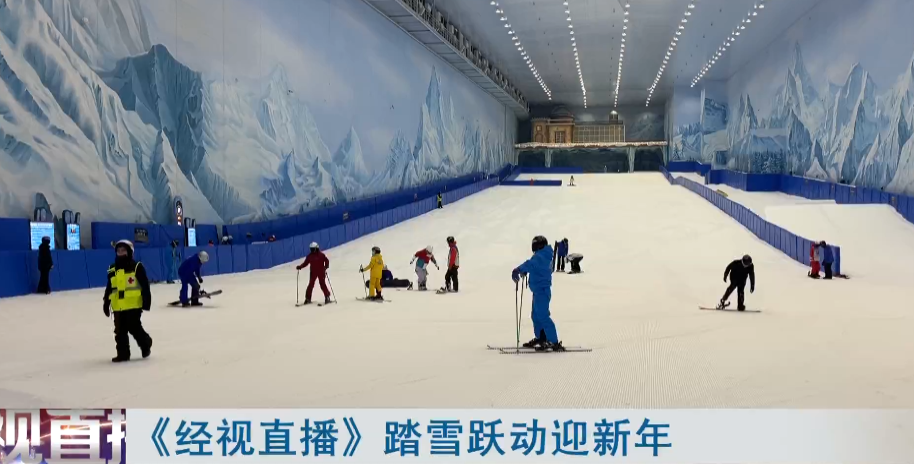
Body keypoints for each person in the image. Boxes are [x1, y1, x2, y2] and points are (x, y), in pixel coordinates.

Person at [103, 240, 152, 362]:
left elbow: (145, 286)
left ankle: (146, 343)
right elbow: (110, 286)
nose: (121, 253)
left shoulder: (137, 267)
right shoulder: (112, 268)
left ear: (130, 252)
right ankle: (123, 354)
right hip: (118, 305)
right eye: (118, 251)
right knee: (120, 330)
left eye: (123, 250)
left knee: (134, 327)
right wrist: (106, 302)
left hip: (133, 304)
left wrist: (146, 302)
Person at [512, 236, 564, 351]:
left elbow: (531, 264)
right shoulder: (543, 255)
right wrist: (526, 271)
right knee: (535, 316)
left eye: (535, 244)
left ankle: (553, 341)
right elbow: (535, 267)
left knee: (543, 316)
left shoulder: (542, 256)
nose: (533, 247)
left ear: (539, 245)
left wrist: (519, 269)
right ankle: (541, 338)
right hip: (538, 291)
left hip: (542, 291)